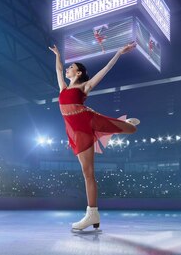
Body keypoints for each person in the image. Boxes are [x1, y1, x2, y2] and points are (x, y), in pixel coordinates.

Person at [48, 42, 140, 232]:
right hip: (76, 131)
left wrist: (118, 53)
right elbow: (58, 69)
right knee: (87, 173)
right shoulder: (63, 89)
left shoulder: (84, 87)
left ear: (79, 73)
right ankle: (93, 214)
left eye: (71, 67)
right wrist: (58, 55)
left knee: (131, 132)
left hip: (88, 121)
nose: (67, 68)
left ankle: (128, 124)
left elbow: (105, 70)